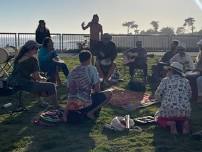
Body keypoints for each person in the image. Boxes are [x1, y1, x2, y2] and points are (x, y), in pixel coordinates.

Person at [63, 50, 112, 123]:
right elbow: (97, 90)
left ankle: (66, 114)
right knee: (109, 93)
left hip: (72, 103)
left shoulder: (73, 70)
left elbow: (69, 90)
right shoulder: (92, 69)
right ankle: (91, 112)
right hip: (84, 103)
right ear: (90, 58)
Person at [7, 40, 58, 108]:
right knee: (51, 86)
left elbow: (21, 73)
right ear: (31, 49)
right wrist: (44, 78)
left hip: (12, 82)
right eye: (37, 48)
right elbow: (37, 77)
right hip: (23, 83)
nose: (38, 50)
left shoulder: (18, 58)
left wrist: (34, 78)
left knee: (33, 81)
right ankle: (56, 106)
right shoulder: (33, 60)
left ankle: (41, 102)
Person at [155, 62, 192, 134]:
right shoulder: (186, 81)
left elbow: (157, 94)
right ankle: (184, 123)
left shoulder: (165, 80)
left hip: (168, 109)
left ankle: (170, 123)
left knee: (158, 118)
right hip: (184, 111)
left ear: (171, 71)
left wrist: (161, 101)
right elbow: (189, 95)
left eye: (168, 70)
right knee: (182, 118)